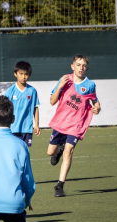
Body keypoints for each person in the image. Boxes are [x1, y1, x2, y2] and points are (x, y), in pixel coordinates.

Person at [47, 55, 101, 197]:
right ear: (72, 66)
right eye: (78, 65)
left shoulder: (90, 85)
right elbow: (52, 101)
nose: (81, 68)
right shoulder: (65, 79)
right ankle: (58, 150)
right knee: (50, 153)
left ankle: (59, 186)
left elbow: (96, 102)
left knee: (69, 151)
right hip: (61, 122)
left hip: (76, 125)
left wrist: (97, 108)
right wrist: (59, 86)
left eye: (84, 65)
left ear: (86, 68)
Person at [4, 61, 40, 147]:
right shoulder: (10, 91)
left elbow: (35, 108)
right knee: (14, 151)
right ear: (15, 74)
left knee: (25, 151)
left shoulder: (32, 91)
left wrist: (36, 124)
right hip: (13, 128)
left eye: (26, 74)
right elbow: (5, 109)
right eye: (21, 74)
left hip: (27, 128)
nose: (24, 77)